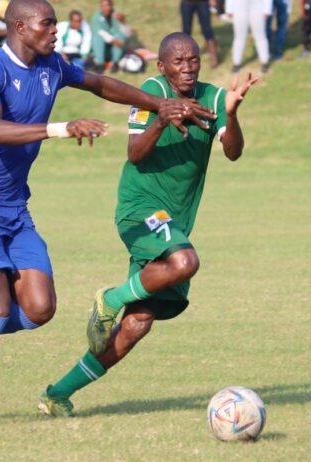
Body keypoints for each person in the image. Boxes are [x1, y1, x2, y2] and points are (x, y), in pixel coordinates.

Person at [0, 0, 215, 432]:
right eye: (48, 23)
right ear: (20, 27)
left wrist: (160, 103)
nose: (55, 30)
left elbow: (101, 84)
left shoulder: (52, 66)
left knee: (39, 310)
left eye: (55, 23)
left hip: (14, 208)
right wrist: (61, 128)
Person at [38, 32, 258, 417]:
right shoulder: (151, 92)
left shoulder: (215, 99)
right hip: (140, 208)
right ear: (162, 66)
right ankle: (110, 299)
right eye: (178, 61)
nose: (187, 68)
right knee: (185, 262)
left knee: (137, 325)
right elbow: (135, 153)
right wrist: (162, 119)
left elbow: (234, 152)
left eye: (193, 60)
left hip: (174, 224)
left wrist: (233, 114)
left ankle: (57, 394)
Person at [228, 0, 273, 73]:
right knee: (239, 37)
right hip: (239, 6)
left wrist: (267, 9)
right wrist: (229, 8)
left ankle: (264, 62)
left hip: (257, 5)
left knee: (260, 36)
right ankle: (236, 63)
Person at [180, 0, 220, 68]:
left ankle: (214, 57)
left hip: (203, 2)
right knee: (186, 30)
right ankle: (184, 56)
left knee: (206, 29)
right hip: (187, 2)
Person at [90, 0, 127, 73]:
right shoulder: (96, 18)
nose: (106, 8)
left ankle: (115, 62)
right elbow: (100, 32)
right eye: (103, 6)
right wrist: (114, 40)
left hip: (115, 50)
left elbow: (125, 33)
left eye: (107, 5)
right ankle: (100, 64)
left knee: (119, 36)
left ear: (111, 6)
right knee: (97, 38)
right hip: (103, 50)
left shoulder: (116, 16)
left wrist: (123, 21)